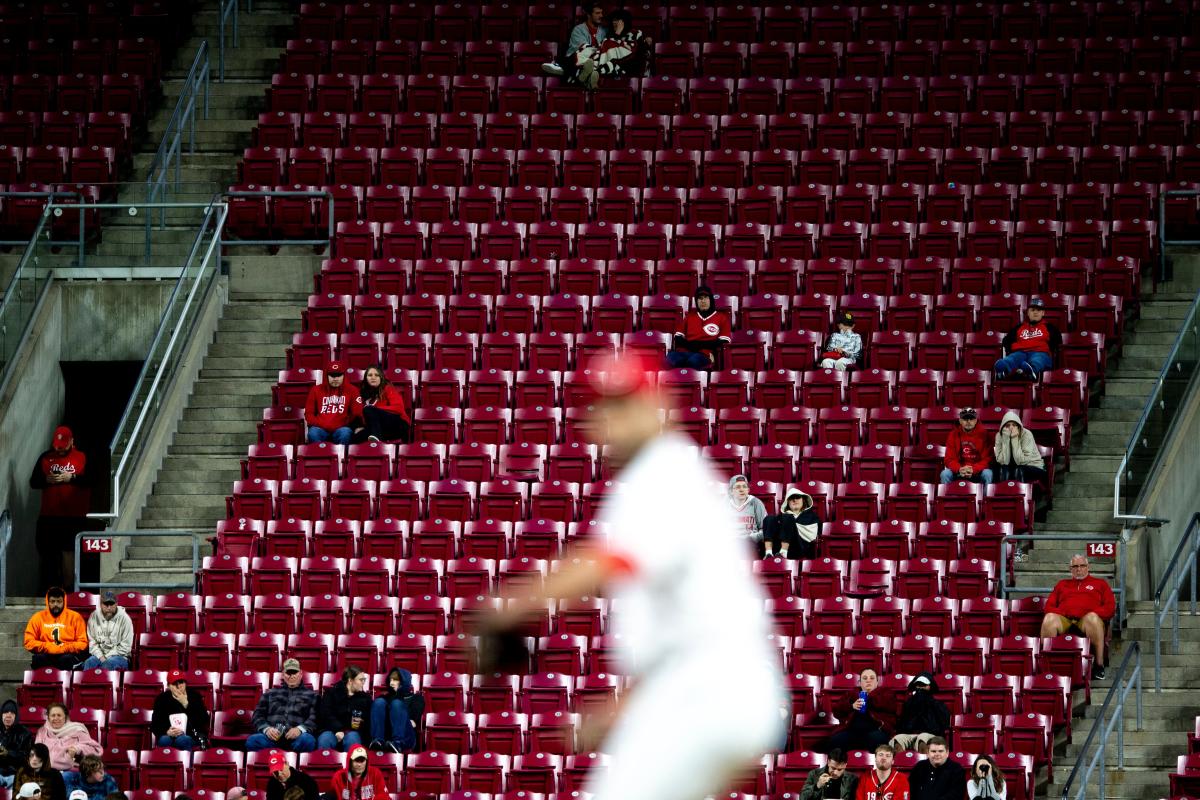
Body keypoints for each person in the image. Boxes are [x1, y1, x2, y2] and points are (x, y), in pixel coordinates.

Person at [476, 351, 788, 800]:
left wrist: (508, 609)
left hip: (712, 688)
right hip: (705, 687)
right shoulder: (666, 475)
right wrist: (624, 710)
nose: (612, 420)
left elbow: (607, 563)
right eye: (604, 407)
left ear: (659, 404)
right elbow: (676, 632)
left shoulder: (664, 471)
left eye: (626, 403)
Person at [29, 426, 93, 592]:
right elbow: (34, 481)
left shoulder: (82, 457)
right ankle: (50, 590)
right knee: (48, 553)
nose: (59, 449)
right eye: (57, 445)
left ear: (72, 441)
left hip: (73, 516)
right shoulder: (45, 457)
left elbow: (92, 479)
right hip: (49, 515)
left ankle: (70, 589)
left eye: (63, 445)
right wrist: (47, 479)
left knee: (69, 552)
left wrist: (71, 477)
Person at [1041, 555, 1115, 679]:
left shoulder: (1100, 584)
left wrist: (1090, 612)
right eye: (1075, 566)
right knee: (1049, 618)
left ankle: (1099, 665)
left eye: (1082, 566)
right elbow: (1048, 606)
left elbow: (1110, 608)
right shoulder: (1062, 584)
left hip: (1087, 621)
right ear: (1070, 569)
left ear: (1088, 567)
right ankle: (1045, 665)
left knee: (1092, 618)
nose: (1079, 569)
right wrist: (1064, 612)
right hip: (1066, 620)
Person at [247, 659, 319, 752]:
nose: (291, 676)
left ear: (300, 674)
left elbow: (315, 718)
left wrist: (300, 729)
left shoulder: (313, 696)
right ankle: (273, 762)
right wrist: (267, 729)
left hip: (298, 738)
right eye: (288, 673)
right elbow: (257, 716)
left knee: (307, 740)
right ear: (283, 674)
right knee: (253, 740)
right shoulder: (270, 693)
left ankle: (293, 764)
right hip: (271, 739)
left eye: (294, 672)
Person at [571, 9, 652, 89]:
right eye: (613, 20)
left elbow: (636, 51)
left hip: (628, 65)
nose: (614, 23)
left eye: (617, 20)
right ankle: (588, 76)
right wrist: (617, 34)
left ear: (624, 21)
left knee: (608, 44)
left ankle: (588, 76)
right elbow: (603, 50)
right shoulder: (611, 34)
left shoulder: (636, 33)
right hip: (612, 62)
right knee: (587, 48)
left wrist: (617, 36)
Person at [826, 668, 899, 754]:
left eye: (872, 678)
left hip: (877, 730)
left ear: (877, 682)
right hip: (852, 731)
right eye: (865, 678)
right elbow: (837, 711)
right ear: (860, 683)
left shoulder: (885, 692)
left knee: (877, 740)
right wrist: (851, 706)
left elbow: (891, 706)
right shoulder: (851, 694)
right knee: (836, 741)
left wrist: (869, 697)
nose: (868, 681)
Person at [994, 296, 1061, 381]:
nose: (1035, 313)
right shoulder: (1019, 327)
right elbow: (1007, 340)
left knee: (1038, 359)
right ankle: (1002, 369)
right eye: (1032, 310)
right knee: (1013, 358)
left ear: (1043, 313)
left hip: (1040, 352)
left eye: (1038, 310)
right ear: (1028, 313)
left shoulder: (1050, 328)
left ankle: (1031, 371)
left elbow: (1058, 342)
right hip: (1021, 352)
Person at [667, 285, 732, 370]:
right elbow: (678, 337)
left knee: (693, 361)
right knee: (670, 357)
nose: (703, 301)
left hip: (704, 354)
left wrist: (699, 345)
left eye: (706, 297)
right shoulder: (689, 317)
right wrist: (691, 345)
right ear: (696, 301)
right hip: (684, 352)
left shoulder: (721, 317)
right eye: (700, 298)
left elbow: (724, 340)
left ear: (711, 300)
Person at [24, 588, 88, 670]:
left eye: (59, 601)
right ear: (48, 602)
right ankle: (44, 682)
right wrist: (48, 647)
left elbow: (82, 643)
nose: (56, 604)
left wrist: (64, 648)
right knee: (38, 659)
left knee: (66, 659)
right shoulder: (38, 617)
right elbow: (28, 642)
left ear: (64, 602)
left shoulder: (75, 617)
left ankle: (65, 682)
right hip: (46, 653)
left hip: (67, 654)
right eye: (52, 601)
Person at [889, 673, 950, 754]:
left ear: (930, 687)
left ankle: (924, 765)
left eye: (923, 685)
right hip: (910, 735)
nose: (920, 688)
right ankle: (901, 764)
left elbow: (944, 724)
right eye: (918, 685)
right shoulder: (908, 704)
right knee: (898, 739)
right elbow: (902, 724)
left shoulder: (938, 705)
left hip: (929, 735)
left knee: (923, 738)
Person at [316, 665, 372, 752]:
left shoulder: (365, 698)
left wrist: (362, 721)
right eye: (361, 680)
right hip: (331, 730)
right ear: (350, 680)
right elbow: (326, 714)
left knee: (352, 739)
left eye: (364, 680)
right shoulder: (331, 693)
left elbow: (368, 720)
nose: (363, 682)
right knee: (325, 739)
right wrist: (338, 729)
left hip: (354, 732)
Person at [151, 670, 211, 751]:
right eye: (175, 684)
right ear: (169, 686)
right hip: (169, 735)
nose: (179, 686)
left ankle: (186, 763)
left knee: (182, 740)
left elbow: (204, 720)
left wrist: (186, 704)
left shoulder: (194, 696)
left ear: (185, 683)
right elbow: (155, 724)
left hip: (192, 735)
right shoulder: (161, 699)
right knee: (164, 740)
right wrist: (167, 731)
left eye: (181, 682)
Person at [542, 3, 607, 77]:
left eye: (601, 13)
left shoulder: (605, 31)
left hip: (598, 61)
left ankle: (566, 70)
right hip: (580, 60)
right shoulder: (578, 30)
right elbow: (581, 49)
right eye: (597, 13)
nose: (601, 16)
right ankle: (576, 71)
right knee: (585, 51)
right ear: (589, 15)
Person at [368, 666, 423, 753]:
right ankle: (377, 741)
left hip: (406, 737)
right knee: (379, 702)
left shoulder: (416, 698)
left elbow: (413, 723)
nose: (391, 683)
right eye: (390, 680)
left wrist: (399, 694)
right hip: (387, 736)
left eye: (395, 680)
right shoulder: (385, 698)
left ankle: (398, 743)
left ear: (403, 682)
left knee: (396, 704)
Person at [305, 361, 360, 445]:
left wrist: (346, 423)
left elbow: (357, 412)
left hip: (342, 428)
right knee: (313, 433)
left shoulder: (352, 390)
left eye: (339, 375)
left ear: (343, 375)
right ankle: (320, 457)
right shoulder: (315, 390)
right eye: (332, 375)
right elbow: (309, 413)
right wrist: (322, 424)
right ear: (326, 375)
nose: (336, 378)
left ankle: (341, 457)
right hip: (320, 428)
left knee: (345, 433)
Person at [34, 704, 101, 771]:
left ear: (65, 717)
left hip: (69, 770)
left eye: (59, 715)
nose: (56, 718)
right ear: (48, 718)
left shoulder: (77, 730)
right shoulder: (42, 731)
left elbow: (95, 750)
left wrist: (77, 748)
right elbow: (36, 752)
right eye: (53, 715)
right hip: (45, 770)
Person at [353, 365, 410, 443]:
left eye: (377, 375)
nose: (373, 377)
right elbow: (360, 413)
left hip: (398, 425)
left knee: (368, 409)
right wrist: (360, 426)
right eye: (370, 375)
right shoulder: (362, 394)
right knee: (356, 438)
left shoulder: (388, 389)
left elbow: (398, 408)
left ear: (381, 378)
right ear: (366, 378)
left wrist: (375, 409)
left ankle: (377, 439)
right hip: (379, 428)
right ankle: (377, 444)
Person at [763, 486, 821, 560]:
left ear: (803, 500)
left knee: (788, 517)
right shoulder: (781, 517)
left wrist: (791, 522)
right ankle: (768, 553)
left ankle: (783, 553)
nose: (794, 500)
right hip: (778, 548)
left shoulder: (812, 516)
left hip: (800, 548)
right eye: (791, 498)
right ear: (787, 502)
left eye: (798, 497)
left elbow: (814, 535)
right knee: (769, 518)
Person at [939, 407, 993, 486]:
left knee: (988, 473)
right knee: (945, 474)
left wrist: (973, 469)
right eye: (965, 419)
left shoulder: (984, 435)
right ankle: (947, 497)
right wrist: (959, 469)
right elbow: (948, 459)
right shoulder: (953, 435)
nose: (968, 421)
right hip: (959, 470)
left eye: (971, 419)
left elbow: (988, 459)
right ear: (960, 421)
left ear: (976, 420)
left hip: (978, 471)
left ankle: (985, 498)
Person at [80, 591, 132, 670]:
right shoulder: (94, 616)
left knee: (107, 664)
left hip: (120, 656)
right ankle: (85, 682)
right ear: (100, 604)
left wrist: (106, 657)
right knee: (89, 662)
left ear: (116, 604)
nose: (109, 608)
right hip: (99, 655)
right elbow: (92, 641)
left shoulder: (125, 618)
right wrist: (100, 656)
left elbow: (126, 646)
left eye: (112, 604)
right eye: (106, 604)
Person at [992, 410, 1047, 485]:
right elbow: (1003, 461)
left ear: (1018, 426)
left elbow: (1022, 461)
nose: (1011, 428)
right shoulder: (999, 436)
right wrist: (1006, 440)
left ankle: (1021, 495)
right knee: (1002, 470)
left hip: (1033, 466)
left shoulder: (1026, 434)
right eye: (1007, 425)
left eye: (1014, 425)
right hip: (1013, 467)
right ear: (1003, 427)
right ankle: (1003, 494)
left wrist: (1014, 438)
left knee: (1019, 470)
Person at [727, 475, 767, 552]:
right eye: (738, 487)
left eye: (744, 487)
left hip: (751, 543)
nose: (741, 490)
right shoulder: (725, 504)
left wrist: (753, 538)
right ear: (731, 491)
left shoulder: (756, 503)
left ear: (748, 490)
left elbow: (764, 529)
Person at [0, 700, 34, 789]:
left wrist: (8, 753)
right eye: (5, 712)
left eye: (12, 713)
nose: (8, 715)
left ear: (16, 716)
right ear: (1, 715)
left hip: (15, 773)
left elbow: (27, 758)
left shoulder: (25, 733)